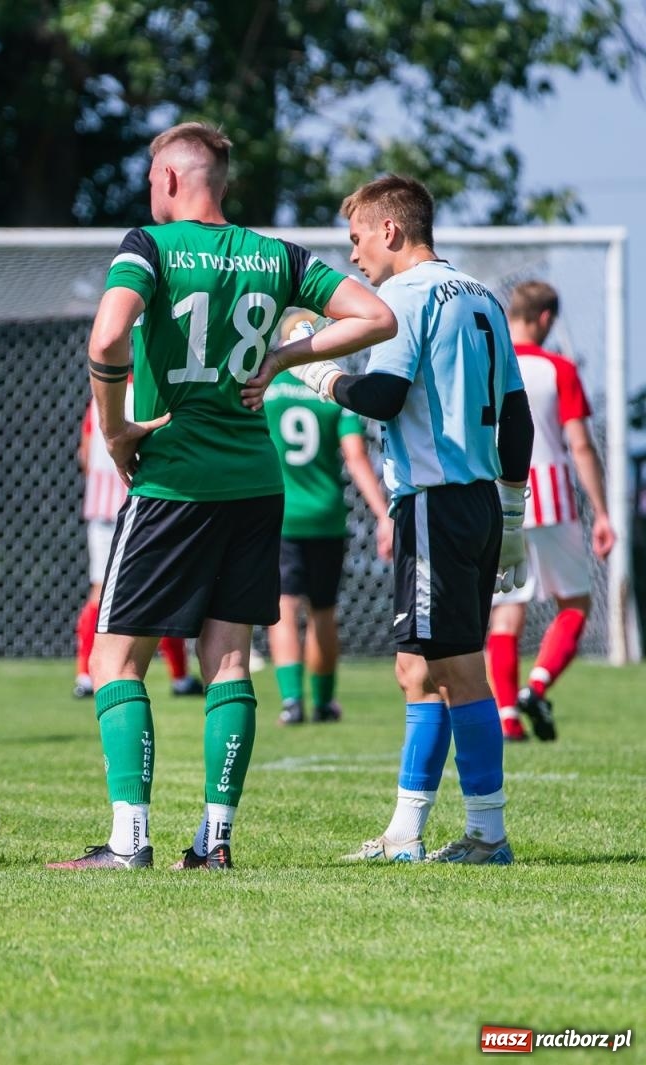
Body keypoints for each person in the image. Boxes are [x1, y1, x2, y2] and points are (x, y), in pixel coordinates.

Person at [48, 122, 397, 873]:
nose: (149, 191)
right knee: (229, 659)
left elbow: (106, 341)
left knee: (115, 661)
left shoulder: (149, 245)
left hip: (172, 478)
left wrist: (116, 430)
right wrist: (282, 355)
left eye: (151, 179)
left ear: (171, 180)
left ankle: (127, 841)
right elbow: (375, 316)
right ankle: (214, 841)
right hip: (254, 482)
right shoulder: (277, 256)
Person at [246, 174, 534, 865]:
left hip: (436, 499)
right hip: (476, 502)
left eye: (355, 240)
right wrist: (514, 513)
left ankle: (488, 833)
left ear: (390, 231)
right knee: (414, 668)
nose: (352, 258)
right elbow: (516, 417)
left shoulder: (401, 296)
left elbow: (383, 394)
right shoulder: (484, 297)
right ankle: (405, 832)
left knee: (459, 670)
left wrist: (317, 375)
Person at [485, 281, 614, 742]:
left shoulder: (491, 363)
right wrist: (601, 512)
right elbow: (579, 443)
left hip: (500, 499)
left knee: (505, 614)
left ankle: (506, 717)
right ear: (545, 319)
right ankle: (536, 687)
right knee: (575, 603)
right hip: (553, 500)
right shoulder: (558, 368)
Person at [262, 311, 393, 725]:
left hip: (278, 514)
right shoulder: (332, 390)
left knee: (283, 608)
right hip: (326, 515)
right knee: (322, 610)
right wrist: (382, 513)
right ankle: (323, 702)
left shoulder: (265, 386)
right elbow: (356, 457)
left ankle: (290, 702)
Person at [74, 397, 202, 700]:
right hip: (149, 505)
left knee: (100, 591)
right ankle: (180, 676)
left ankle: (85, 675)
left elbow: (85, 452)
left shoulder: (101, 398)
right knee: (165, 588)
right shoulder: (155, 393)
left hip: (104, 509)